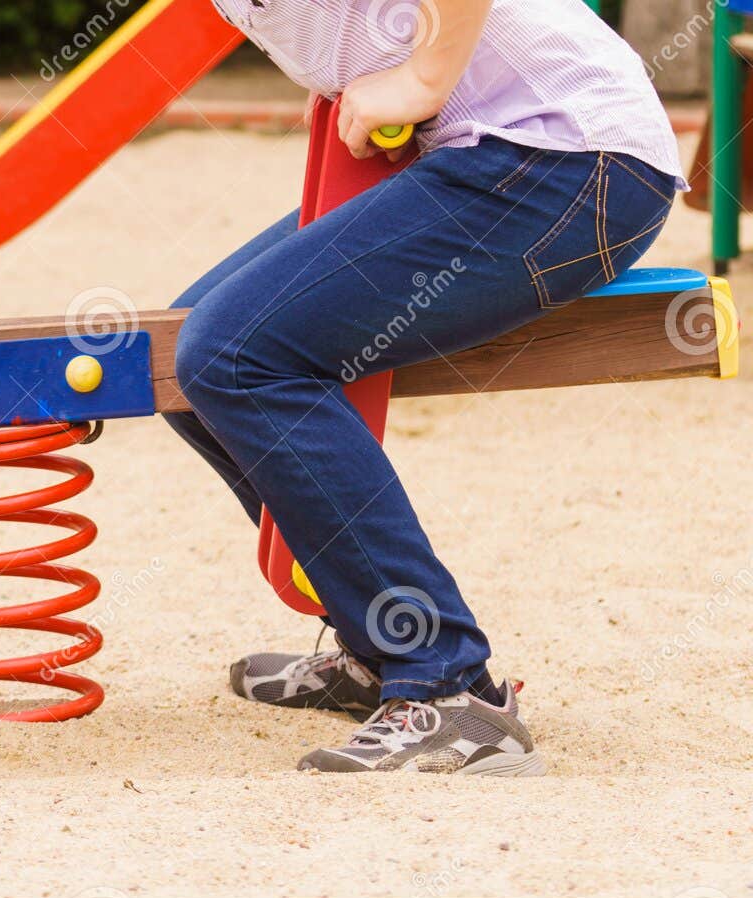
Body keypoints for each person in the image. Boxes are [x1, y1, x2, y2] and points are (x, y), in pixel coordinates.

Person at [168, 0, 683, 774]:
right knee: (190, 352)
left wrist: (421, 75)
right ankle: (382, 645)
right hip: (485, 154)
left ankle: (450, 687)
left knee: (235, 353)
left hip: (564, 158)